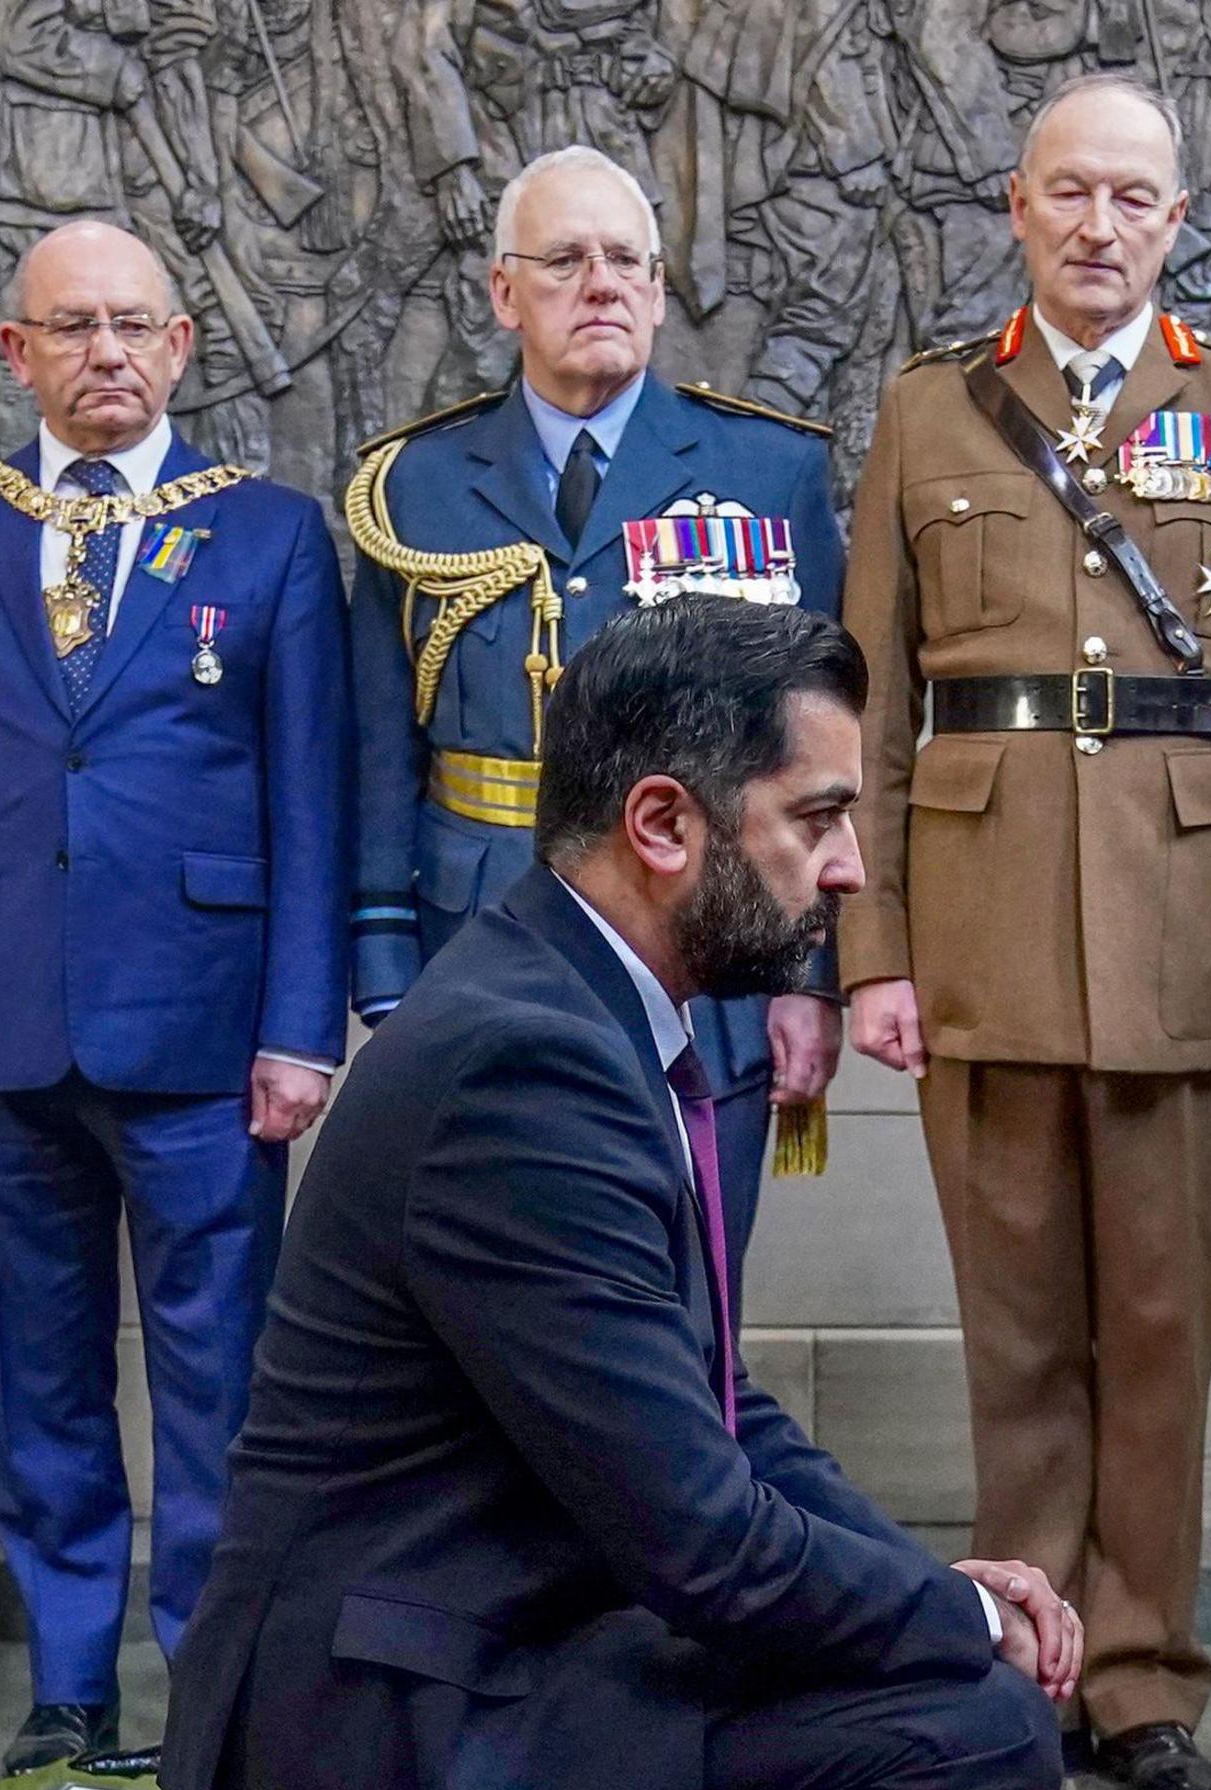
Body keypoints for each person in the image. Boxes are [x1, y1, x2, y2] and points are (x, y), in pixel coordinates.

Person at [155, 598, 1073, 1790]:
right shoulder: (528, 1060)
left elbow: (722, 1412)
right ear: (664, 822)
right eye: (819, 818)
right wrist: (968, 1624)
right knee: (982, 1744)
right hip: (409, 1703)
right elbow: (702, 1538)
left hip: (509, 1630)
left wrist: (919, 1582)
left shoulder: (585, 1003)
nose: (848, 869)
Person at [842, 73, 1211, 1790]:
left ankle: (1141, 1673)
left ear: (1178, 224)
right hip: (982, 924)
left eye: (1134, 199)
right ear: (1017, 204)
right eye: (1069, 193)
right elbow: (872, 713)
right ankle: (1019, 1659)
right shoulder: (926, 416)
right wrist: (875, 952)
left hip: (1191, 934)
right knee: (1015, 1334)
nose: (1098, 225)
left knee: (1158, 1327)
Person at [0, 219, 350, 1777]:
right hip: (0, 1017)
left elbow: (309, 811)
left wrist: (299, 1025)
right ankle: (69, 1682)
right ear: (16, 353)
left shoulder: (268, 537)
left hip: (206, 1032)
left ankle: (210, 1682)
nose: (105, 355)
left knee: (221, 1379)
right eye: (69, 328)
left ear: (184, 342)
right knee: (37, 1368)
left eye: (133, 324)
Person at [346, 144, 845, 1276]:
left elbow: (817, 756)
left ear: (662, 291)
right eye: (565, 260)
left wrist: (808, 973)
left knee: (688, 1296)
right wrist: (381, 951)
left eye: (627, 260)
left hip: (705, 943)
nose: (602, 283)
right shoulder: (412, 486)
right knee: (488, 1291)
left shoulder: (767, 473)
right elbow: (381, 746)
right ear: (502, 293)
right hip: (474, 934)